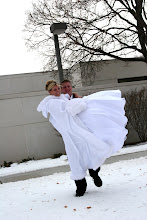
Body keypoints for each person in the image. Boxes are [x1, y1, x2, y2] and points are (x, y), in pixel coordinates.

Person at [37, 80, 128, 197]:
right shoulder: (51, 103)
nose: (57, 91)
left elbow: (73, 105)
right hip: (72, 136)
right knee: (76, 160)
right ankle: (80, 187)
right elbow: (70, 110)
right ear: (49, 92)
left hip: (80, 131)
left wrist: (78, 99)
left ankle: (94, 173)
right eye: (54, 90)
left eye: (58, 88)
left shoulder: (63, 98)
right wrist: (80, 102)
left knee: (92, 150)